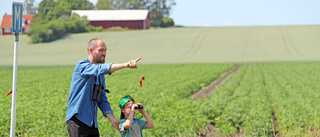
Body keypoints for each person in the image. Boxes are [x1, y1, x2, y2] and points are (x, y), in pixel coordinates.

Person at [65, 38, 141, 137]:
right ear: (91, 51)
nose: (104, 53)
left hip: (92, 123)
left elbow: (102, 99)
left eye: (105, 50)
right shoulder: (82, 66)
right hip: (77, 121)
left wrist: (112, 119)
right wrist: (125, 65)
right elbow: (99, 69)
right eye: (101, 50)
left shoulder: (101, 76)